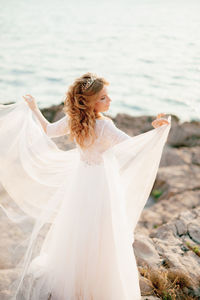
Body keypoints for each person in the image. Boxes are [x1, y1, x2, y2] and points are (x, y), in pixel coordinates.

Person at [0, 72, 171, 300]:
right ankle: (98, 283)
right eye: (103, 98)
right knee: (102, 230)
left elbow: (49, 131)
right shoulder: (105, 127)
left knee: (78, 229)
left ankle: (76, 279)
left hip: (81, 181)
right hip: (101, 183)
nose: (109, 100)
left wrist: (34, 109)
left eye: (107, 96)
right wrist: (158, 131)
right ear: (90, 103)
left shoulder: (75, 120)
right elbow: (133, 148)